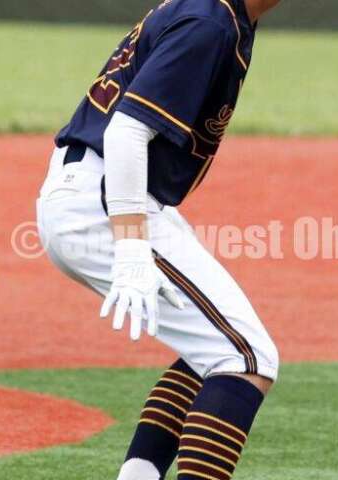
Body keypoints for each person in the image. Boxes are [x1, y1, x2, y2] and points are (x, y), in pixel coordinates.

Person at [36, 0, 282, 478]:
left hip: (101, 193)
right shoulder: (209, 23)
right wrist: (131, 248)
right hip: (106, 200)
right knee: (246, 357)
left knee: (213, 348)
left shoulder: (223, 16)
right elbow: (128, 130)